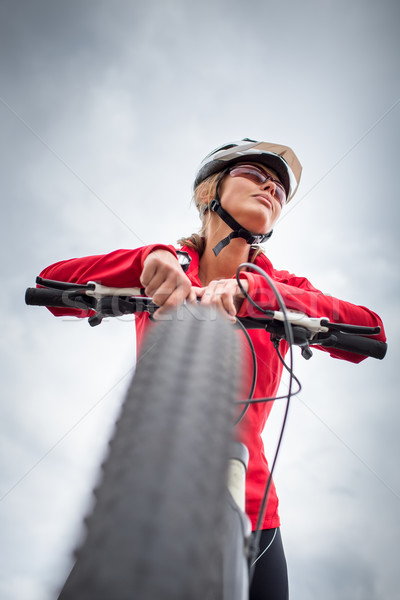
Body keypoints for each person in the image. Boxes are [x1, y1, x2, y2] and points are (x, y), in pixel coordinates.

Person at [39, 138, 386, 600]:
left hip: (253, 507)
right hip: (152, 475)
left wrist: (257, 293)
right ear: (209, 193)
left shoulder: (280, 286)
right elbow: (52, 281)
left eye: (280, 188)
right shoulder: (167, 266)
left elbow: (372, 332)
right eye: (254, 175)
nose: (271, 188)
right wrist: (147, 259)